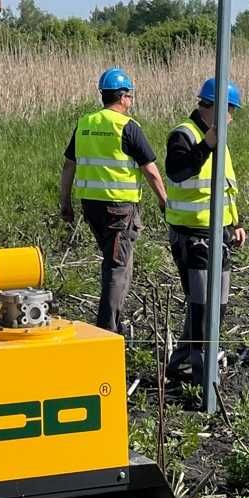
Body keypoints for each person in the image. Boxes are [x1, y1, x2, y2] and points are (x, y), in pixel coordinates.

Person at [58, 67, 168, 332]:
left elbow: (68, 167)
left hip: (91, 206)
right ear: (123, 97)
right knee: (116, 268)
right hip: (119, 208)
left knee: (117, 261)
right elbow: (151, 171)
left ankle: (112, 322)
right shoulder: (127, 126)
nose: (131, 101)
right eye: (130, 96)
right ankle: (106, 331)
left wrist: (66, 203)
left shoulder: (85, 123)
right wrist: (166, 202)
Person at [163, 77, 246, 391]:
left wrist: (236, 223)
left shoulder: (218, 138)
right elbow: (178, 170)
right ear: (213, 107)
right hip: (193, 235)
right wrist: (208, 143)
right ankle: (199, 370)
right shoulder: (184, 135)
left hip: (220, 233)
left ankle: (185, 355)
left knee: (218, 304)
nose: (232, 117)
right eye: (230, 110)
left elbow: (225, 186)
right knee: (201, 305)